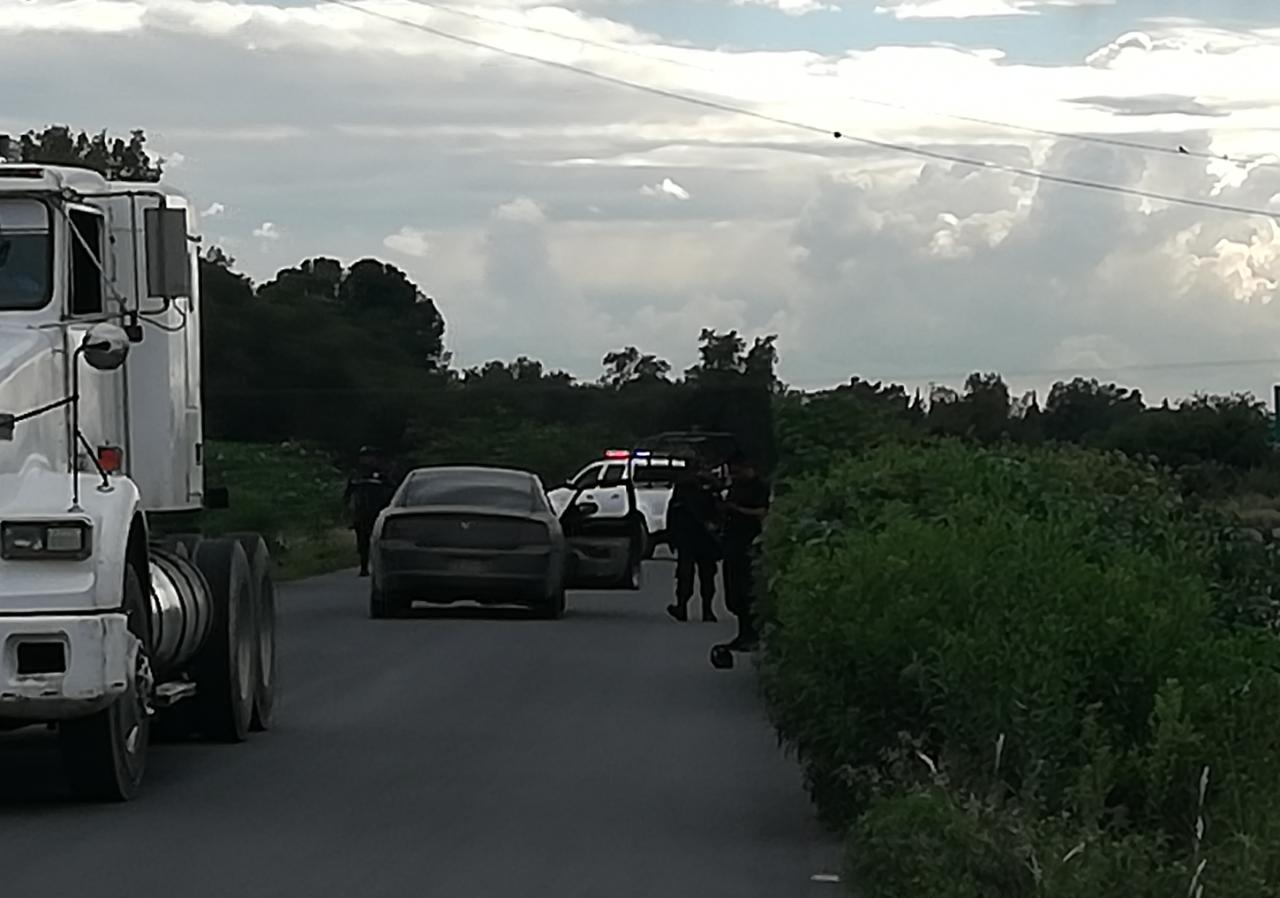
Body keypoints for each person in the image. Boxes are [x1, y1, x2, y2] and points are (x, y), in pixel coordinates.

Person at [720, 452, 770, 650]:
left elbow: (762, 512)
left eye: (737, 471)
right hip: (732, 542)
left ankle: (751, 636)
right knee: (734, 594)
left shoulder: (760, 487)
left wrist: (737, 509)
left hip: (749, 542)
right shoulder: (735, 487)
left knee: (747, 590)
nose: (734, 475)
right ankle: (742, 634)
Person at [665, 458, 722, 623]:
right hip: (692, 536)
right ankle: (689, 607)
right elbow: (674, 514)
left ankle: (699, 608)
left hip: (699, 536)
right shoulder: (685, 487)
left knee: (698, 574)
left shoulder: (708, 485)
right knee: (691, 574)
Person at [343, 446, 397, 577]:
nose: (367, 460)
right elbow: (348, 492)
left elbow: (392, 488)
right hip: (361, 511)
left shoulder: (383, 472)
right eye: (364, 457)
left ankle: (382, 566)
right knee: (362, 540)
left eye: (369, 456)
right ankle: (364, 566)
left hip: (378, 510)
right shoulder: (356, 474)